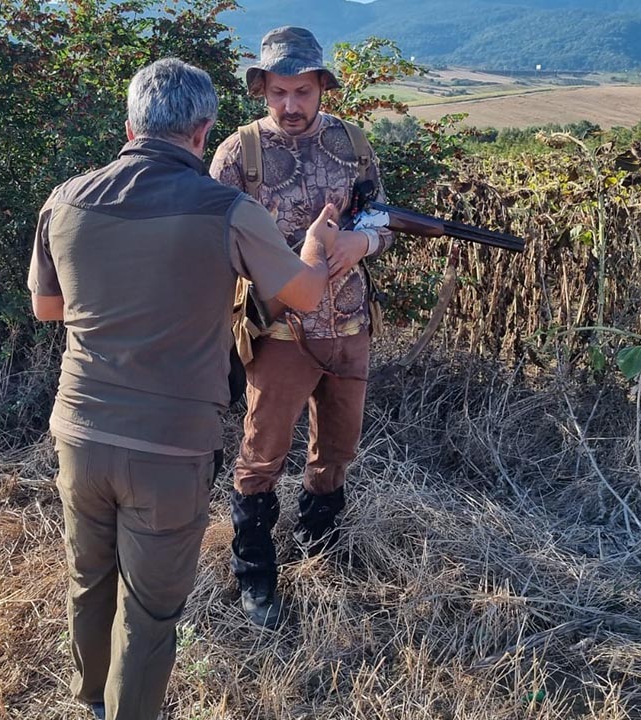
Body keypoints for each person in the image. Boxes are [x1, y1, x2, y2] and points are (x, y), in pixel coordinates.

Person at [28, 58, 337, 720]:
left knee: (89, 581)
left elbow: (48, 310)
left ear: (130, 125)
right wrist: (316, 243)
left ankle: (88, 703)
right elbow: (305, 296)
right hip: (169, 448)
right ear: (203, 132)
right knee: (151, 611)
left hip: (79, 432)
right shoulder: (229, 210)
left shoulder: (65, 197)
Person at [210, 27, 394, 628]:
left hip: (347, 327)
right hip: (279, 333)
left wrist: (360, 240)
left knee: (337, 449)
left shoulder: (352, 142)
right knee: (261, 456)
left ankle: (321, 546)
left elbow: (381, 214)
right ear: (262, 89)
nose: (290, 106)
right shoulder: (238, 155)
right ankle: (256, 573)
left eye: (302, 92)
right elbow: (213, 244)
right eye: (278, 92)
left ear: (322, 89)